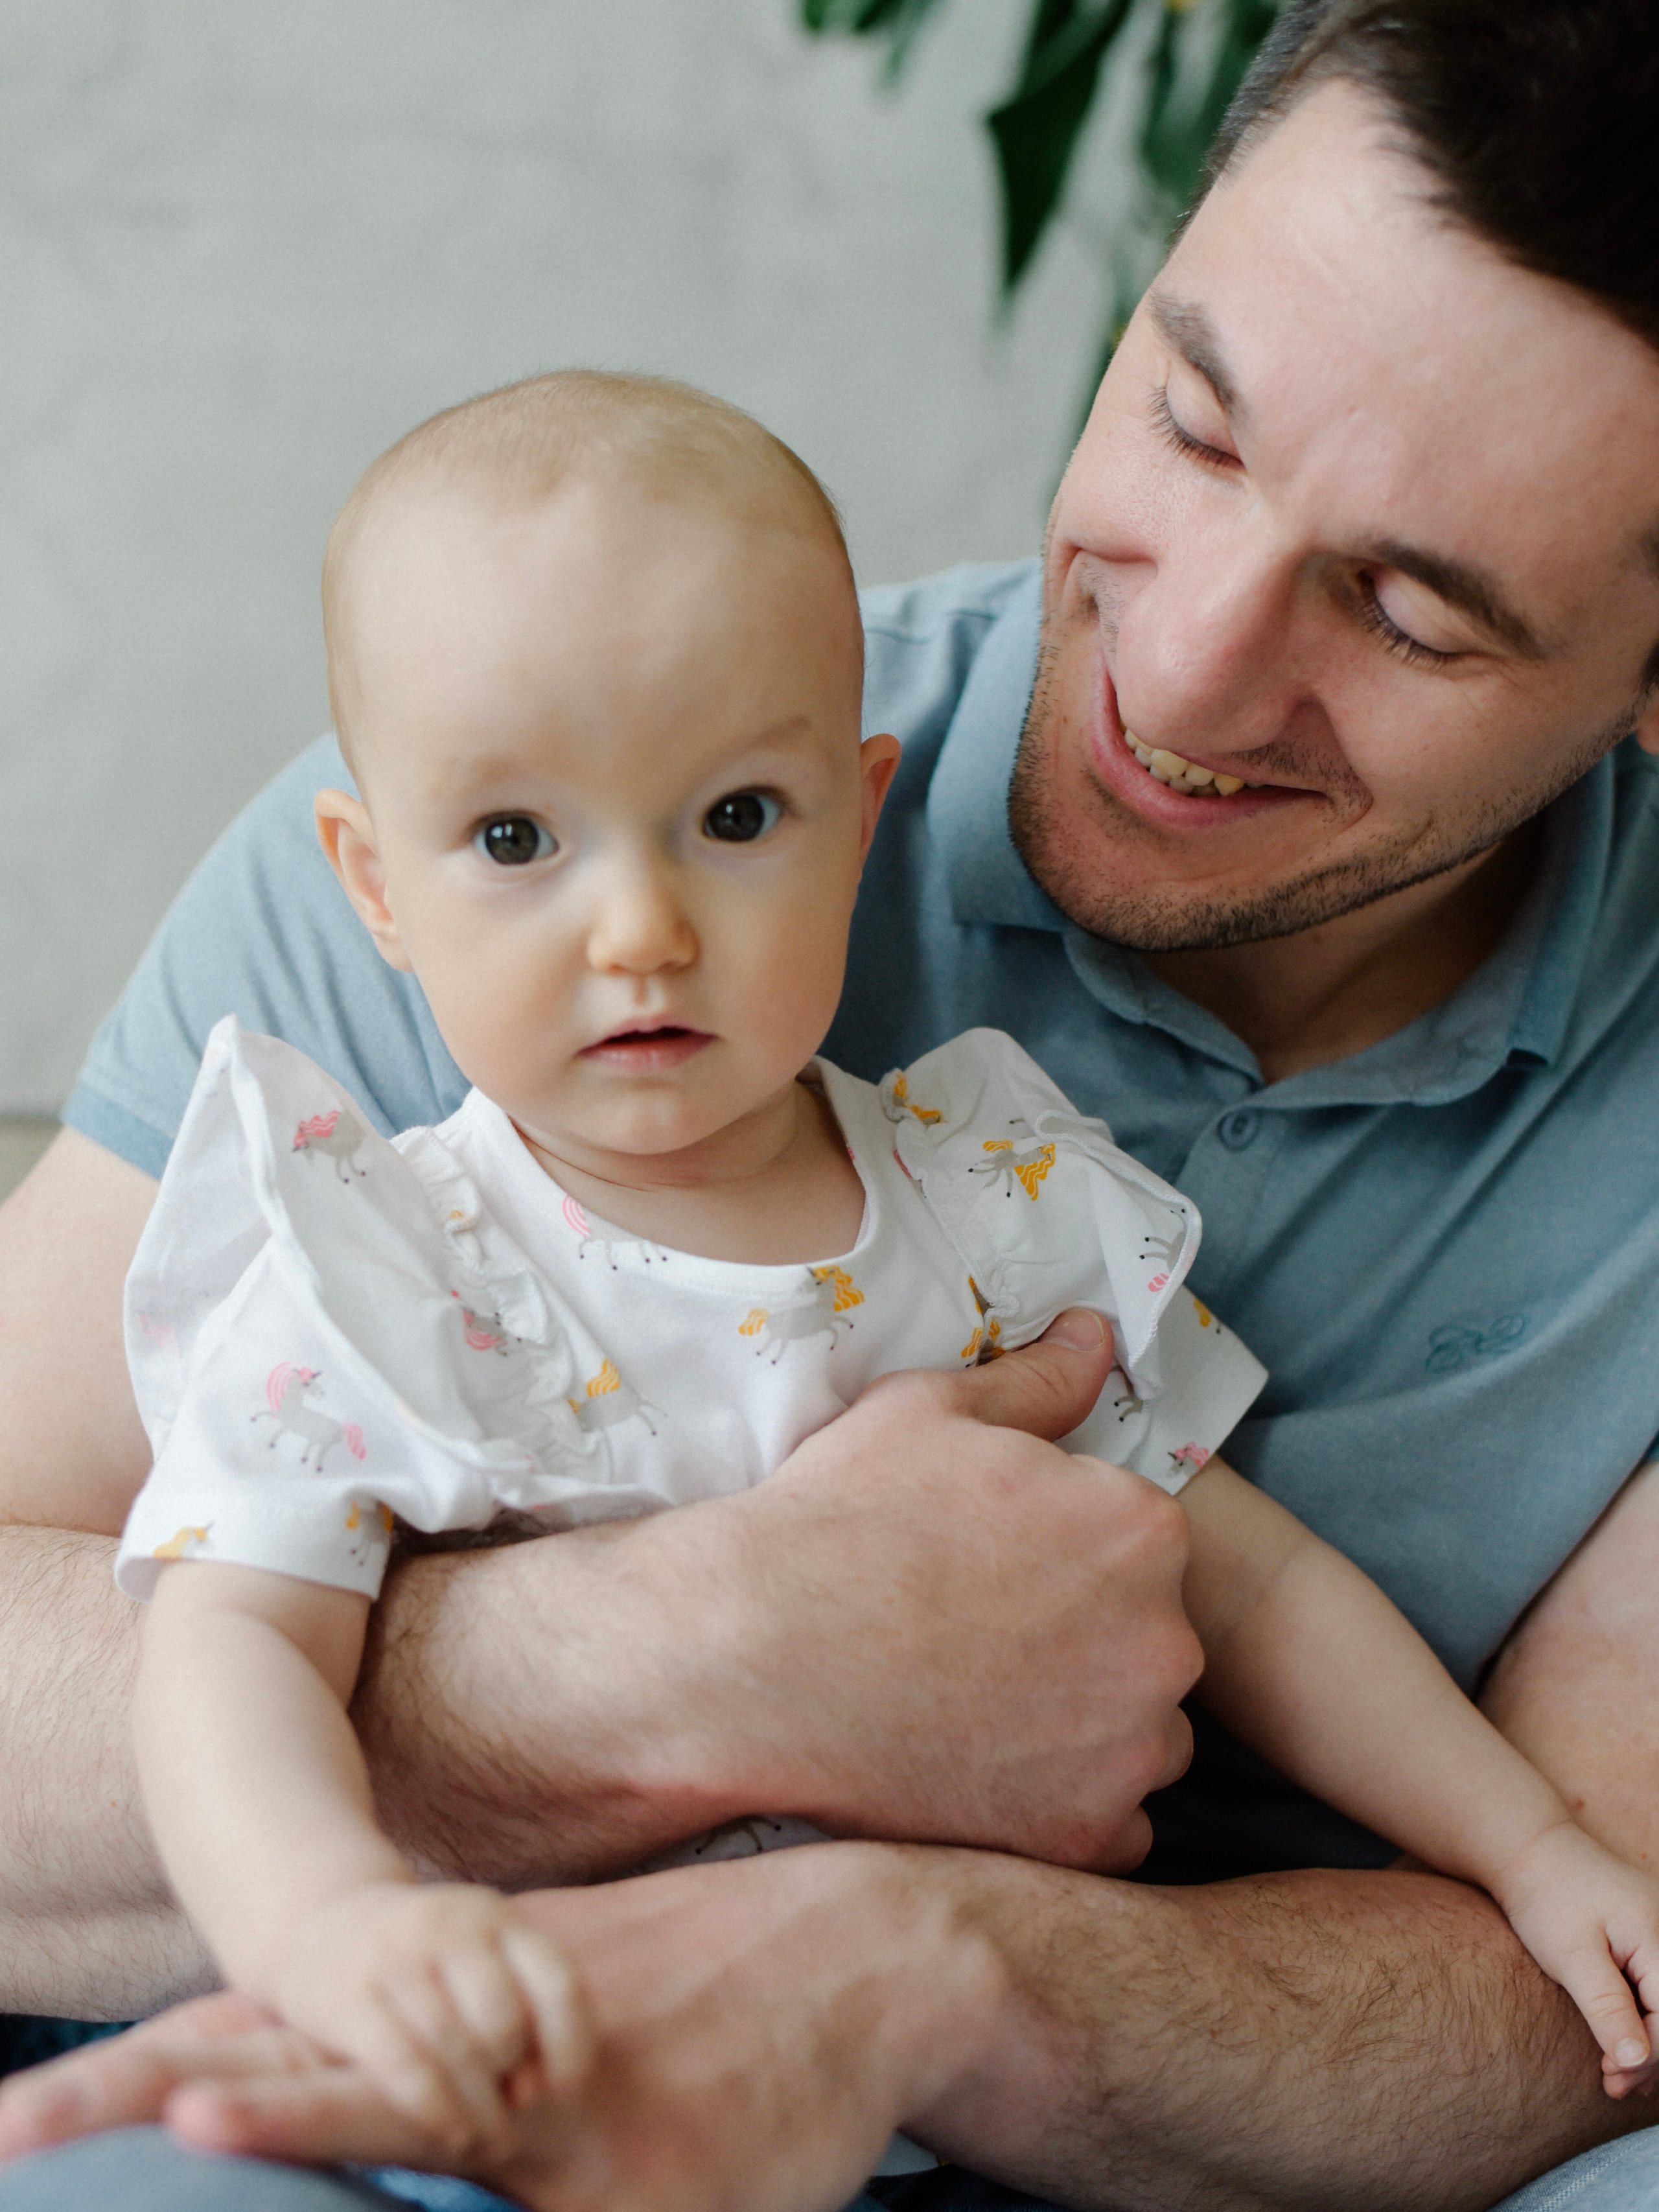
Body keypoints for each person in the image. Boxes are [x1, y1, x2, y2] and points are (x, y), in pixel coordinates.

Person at [3, 0, 1659, 2205]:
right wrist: (661, 1681)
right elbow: (183, 1624)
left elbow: (1584, 2001)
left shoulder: (977, 1191)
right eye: (1188, 424)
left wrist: (906, 1961)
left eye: (1411, 617)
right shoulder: (497, 799)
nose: (1177, 685)